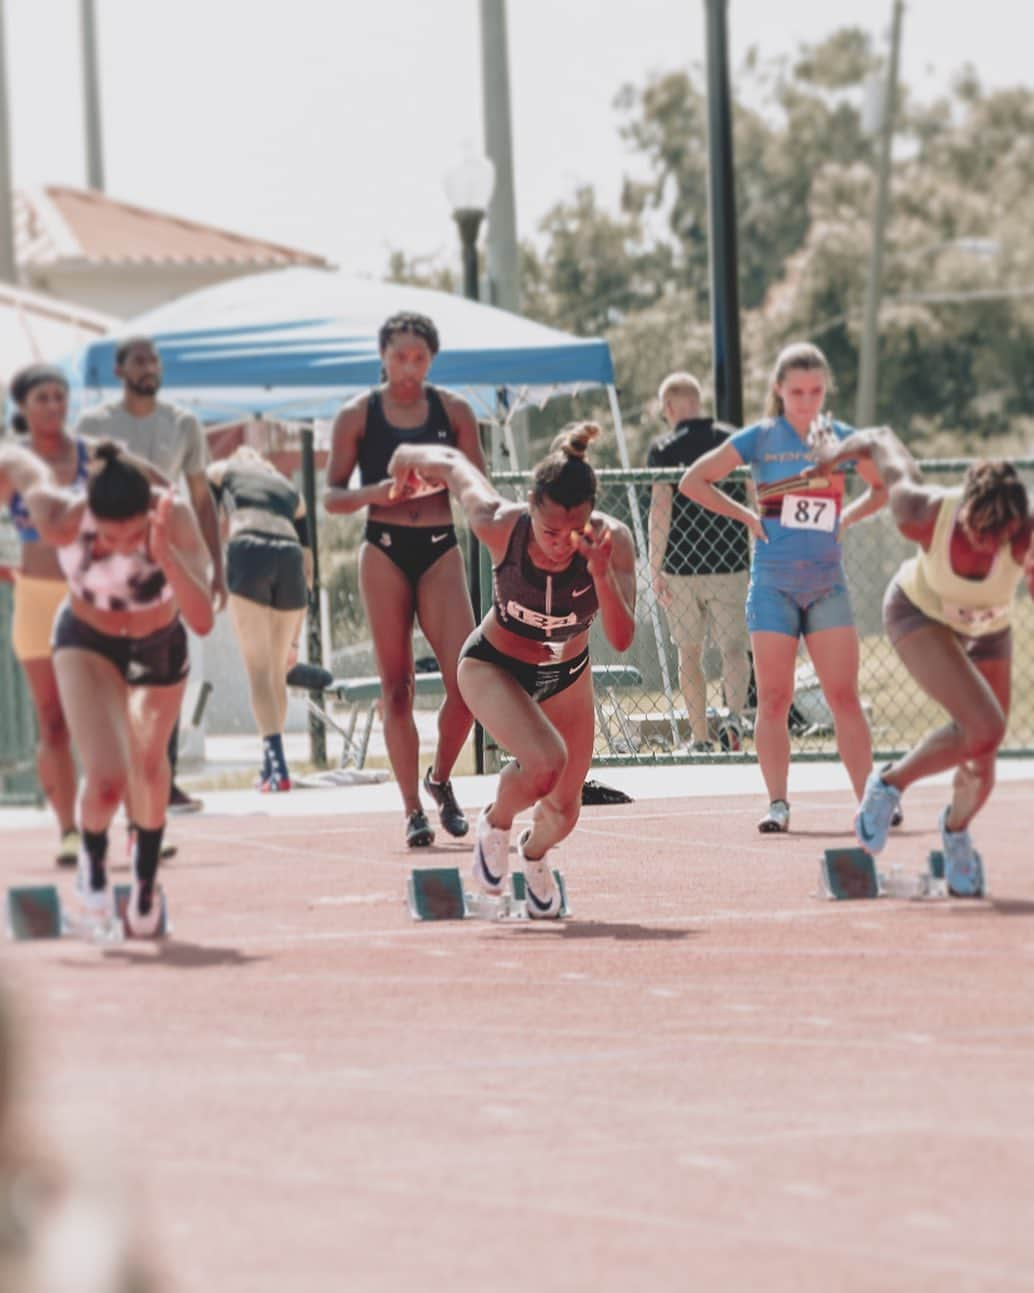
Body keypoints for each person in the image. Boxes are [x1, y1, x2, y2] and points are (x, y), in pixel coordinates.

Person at [387, 422, 637, 918]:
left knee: (564, 811)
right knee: (545, 763)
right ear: (530, 505)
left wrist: (602, 575)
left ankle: (535, 858)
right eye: (549, 532)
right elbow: (456, 467)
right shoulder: (499, 522)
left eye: (573, 531)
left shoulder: (614, 542)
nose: (561, 544)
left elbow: (623, 638)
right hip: (494, 666)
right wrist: (404, 457)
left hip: (566, 677)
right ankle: (495, 824)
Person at [809, 425, 1033, 896]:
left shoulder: (1025, 534)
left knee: (984, 753)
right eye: (981, 535)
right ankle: (888, 784)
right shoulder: (920, 510)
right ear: (965, 514)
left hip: (988, 625)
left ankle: (954, 833)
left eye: (1002, 537)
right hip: (919, 611)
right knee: (985, 725)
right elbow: (881, 439)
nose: (991, 547)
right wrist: (831, 454)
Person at [678, 342, 888, 833]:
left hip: (825, 586)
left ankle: (870, 803)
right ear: (778, 390)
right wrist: (747, 516)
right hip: (773, 586)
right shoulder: (761, 438)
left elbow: (885, 485)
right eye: (796, 391)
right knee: (772, 697)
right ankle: (777, 804)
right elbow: (694, 481)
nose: (807, 401)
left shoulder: (839, 438)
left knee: (844, 697)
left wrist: (848, 518)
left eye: (816, 391)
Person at [9, 440, 214, 935]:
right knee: (106, 779)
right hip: (88, 644)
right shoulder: (60, 516)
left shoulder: (173, 516)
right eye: (109, 536)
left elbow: (203, 618)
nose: (124, 546)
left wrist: (164, 555)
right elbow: (18, 467)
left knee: (148, 767)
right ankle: (92, 872)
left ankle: (144, 883)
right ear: (89, 516)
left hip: (158, 646)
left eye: (133, 535)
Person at [324, 311, 487, 847]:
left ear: (432, 359)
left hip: (440, 549)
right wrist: (379, 492)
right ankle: (412, 809)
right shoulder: (357, 416)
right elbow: (332, 497)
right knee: (397, 688)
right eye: (400, 357)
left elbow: (477, 486)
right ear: (383, 356)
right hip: (385, 551)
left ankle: (439, 778)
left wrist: (443, 473)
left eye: (420, 358)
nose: (410, 367)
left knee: (469, 680)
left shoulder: (454, 411)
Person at [75, 336, 226, 814]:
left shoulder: (183, 424)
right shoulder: (95, 424)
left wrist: (215, 569)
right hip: (110, 557)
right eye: (138, 360)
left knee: (165, 662)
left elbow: (201, 499)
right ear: (119, 370)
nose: (148, 367)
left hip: (168, 554)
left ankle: (165, 777)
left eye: (153, 359)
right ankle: (116, 775)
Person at [2, 366, 89, 866]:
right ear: (24, 406)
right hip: (34, 600)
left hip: (88, 596)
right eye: (43, 397)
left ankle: (138, 824)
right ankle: (68, 831)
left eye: (60, 396)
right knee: (53, 722)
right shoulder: (13, 461)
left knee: (109, 717)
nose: (55, 405)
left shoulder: (92, 455)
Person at [647, 371, 751, 752]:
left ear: (669, 407)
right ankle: (735, 718)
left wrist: (655, 565)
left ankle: (701, 738)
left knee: (688, 652)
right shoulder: (731, 440)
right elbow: (752, 490)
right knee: (735, 647)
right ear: (698, 401)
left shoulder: (664, 447)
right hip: (730, 560)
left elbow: (661, 506)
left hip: (681, 565)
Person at [208, 445, 312, 791]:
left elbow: (203, 512)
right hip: (290, 558)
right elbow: (309, 564)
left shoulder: (224, 469)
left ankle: (278, 768)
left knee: (258, 673)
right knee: (277, 675)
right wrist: (297, 634)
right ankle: (270, 767)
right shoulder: (289, 491)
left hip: (249, 551)